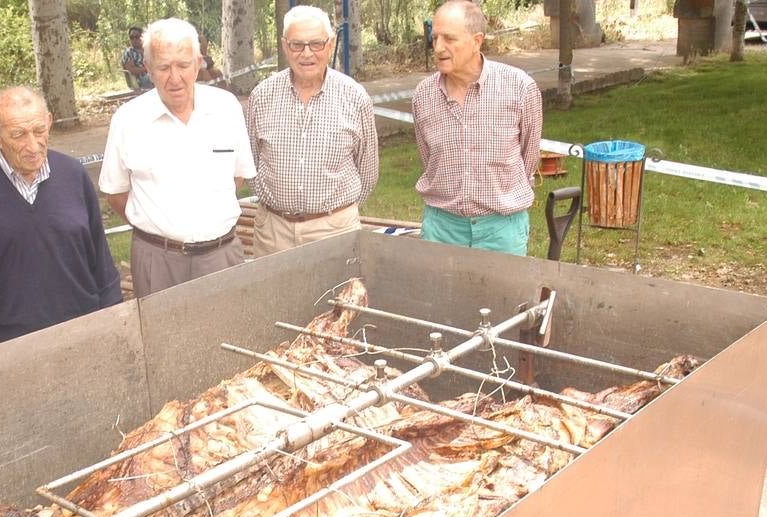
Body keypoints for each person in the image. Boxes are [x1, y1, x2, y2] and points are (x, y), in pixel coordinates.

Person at [0, 86, 121, 358]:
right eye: (18, 135)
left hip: (85, 331)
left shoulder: (74, 175)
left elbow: (101, 261)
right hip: (10, 345)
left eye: (39, 130)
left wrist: (116, 315)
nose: (33, 145)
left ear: (49, 121)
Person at [99, 18, 256, 298]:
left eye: (183, 65)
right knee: (162, 340)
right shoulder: (127, 120)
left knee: (231, 335)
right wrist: (162, 231)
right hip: (158, 262)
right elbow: (115, 194)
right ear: (147, 68)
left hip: (221, 256)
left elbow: (236, 177)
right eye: (163, 67)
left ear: (198, 63)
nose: (175, 78)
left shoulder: (227, 108)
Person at [245, 5, 379, 257]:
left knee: (336, 296)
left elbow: (368, 172)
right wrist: (277, 208)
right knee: (273, 297)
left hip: (335, 231)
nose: (307, 53)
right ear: (285, 46)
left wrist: (335, 216)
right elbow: (251, 162)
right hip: (274, 233)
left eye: (316, 44)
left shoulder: (355, 97)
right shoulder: (261, 97)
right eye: (297, 45)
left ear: (329, 45)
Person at [412, 0, 542, 256]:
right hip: (442, 230)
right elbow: (429, 160)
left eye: (449, 38)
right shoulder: (423, 96)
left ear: (477, 41)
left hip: (502, 231)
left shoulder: (520, 88)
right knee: (437, 297)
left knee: (506, 298)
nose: (438, 48)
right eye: (434, 37)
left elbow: (529, 157)